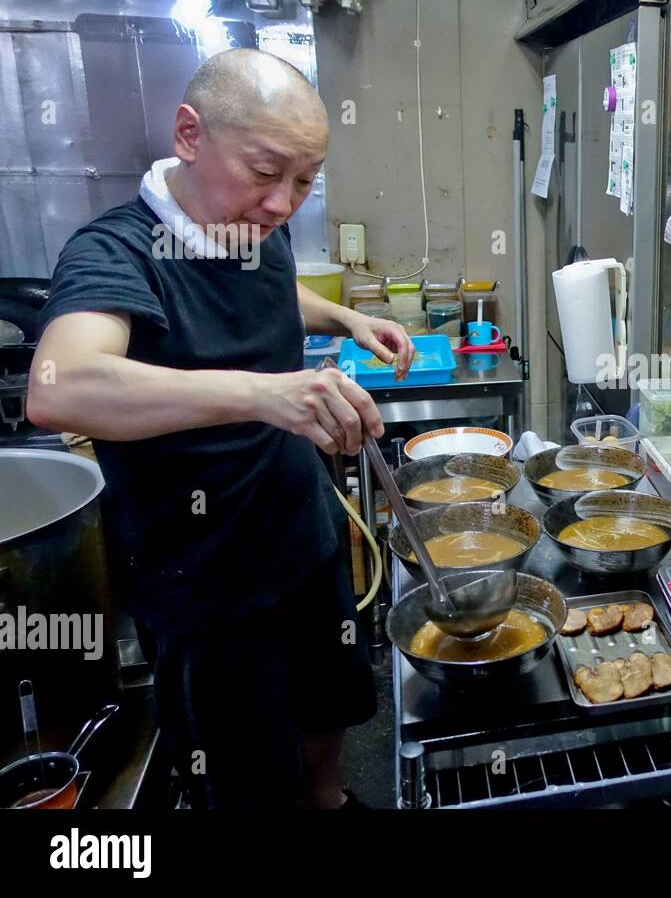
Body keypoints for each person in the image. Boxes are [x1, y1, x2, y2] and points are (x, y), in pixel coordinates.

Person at [27, 48, 414, 808]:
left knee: (332, 703)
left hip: (301, 536)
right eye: (267, 170)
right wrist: (263, 395)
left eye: (305, 180)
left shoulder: (244, 227)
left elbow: (272, 287)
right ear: (189, 134)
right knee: (247, 772)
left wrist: (345, 316)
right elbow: (58, 386)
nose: (283, 204)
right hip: (208, 581)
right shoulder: (117, 251)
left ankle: (331, 799)